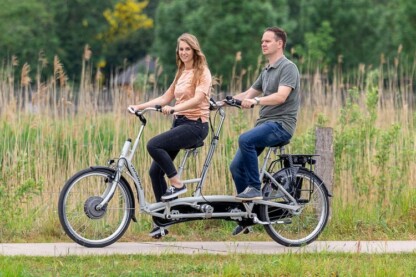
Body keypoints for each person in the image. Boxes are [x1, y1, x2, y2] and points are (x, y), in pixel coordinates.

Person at [128, 33, 212, 237]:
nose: (183, 53)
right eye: (181, 49)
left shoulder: (203, 72)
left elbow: (199, 99)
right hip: (180, 123)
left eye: (187, 49)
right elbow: (166, 97)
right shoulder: (182, 72)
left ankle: (177, 184)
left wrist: (176, 108)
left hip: (196, 125)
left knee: (153, 145)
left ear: (194, 50)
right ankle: (161, 223)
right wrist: (140, 106)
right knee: (155, 172)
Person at [229, 27, 300, 235]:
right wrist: (225, 101)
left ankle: (255, 188)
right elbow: (248, 94)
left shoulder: (288, 68)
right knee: (236, 167)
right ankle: (247, 218)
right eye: (262, 41)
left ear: (280, 44)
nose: (263, 44)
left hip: (281, 125)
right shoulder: (267, 70)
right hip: (265, 125)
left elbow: (281, 97)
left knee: (245, 139)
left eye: (267, 41)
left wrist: (256, 101)